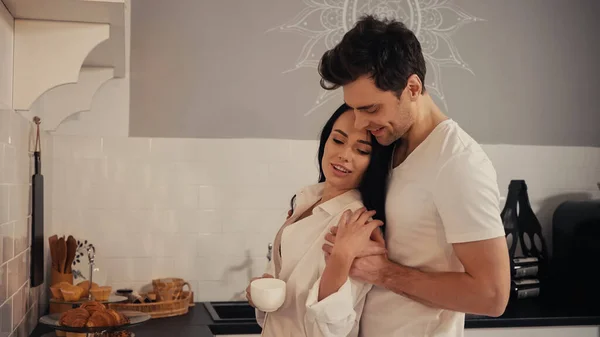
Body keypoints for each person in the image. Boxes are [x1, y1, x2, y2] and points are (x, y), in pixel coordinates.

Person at [317, 15, 511, 337]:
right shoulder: (389, 143)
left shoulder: (458, 163)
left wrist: (385, 274)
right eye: (354, 109)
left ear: (412, 87)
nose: (361, 124)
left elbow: (492, 296)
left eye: (371, 109)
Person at [246, 103, 395, 337]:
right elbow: (288, 282)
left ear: (374, 162)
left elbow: (334, 327)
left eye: (362, 150)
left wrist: (342, 257)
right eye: (338, 140)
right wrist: (264, 290)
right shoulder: (308, 199)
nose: (344, 155)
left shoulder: (357, 222)